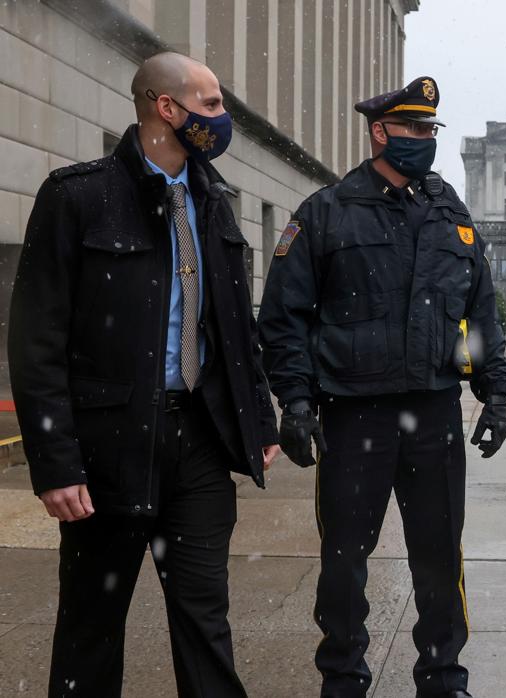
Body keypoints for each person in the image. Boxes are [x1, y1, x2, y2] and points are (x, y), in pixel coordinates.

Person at [9, 52, 279, 697]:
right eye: (211, 104)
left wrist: (258, 418)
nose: (222, 118)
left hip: (203, 443)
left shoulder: (215, 201)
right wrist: (56, 463)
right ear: (166, 107)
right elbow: (35, 338)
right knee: (91, 624)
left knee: (204, 616)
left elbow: (235, 327)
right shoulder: (78, 196)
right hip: (109, 448)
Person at [258, 76, 506, 698]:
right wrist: (294, 398)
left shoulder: (450, 214)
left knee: (438, 553)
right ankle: (343, 676)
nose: (425, 140)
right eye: (414, 129)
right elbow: (283, 316)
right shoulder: (327, 212)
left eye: (431, 130)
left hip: (433, 412)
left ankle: (442, 674)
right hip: (355, 414)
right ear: (380, 132)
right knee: (345, 557)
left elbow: (479, 315)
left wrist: (495, 390)